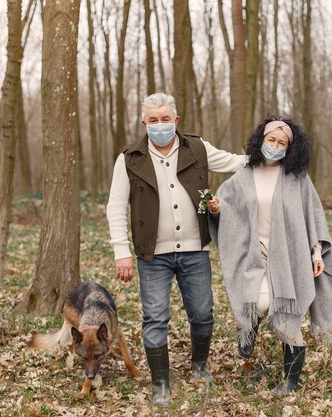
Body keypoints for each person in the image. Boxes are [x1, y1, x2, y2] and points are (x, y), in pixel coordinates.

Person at [106, 92, 246, 406]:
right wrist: (121, 252)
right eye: (153, 120)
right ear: (144, 123)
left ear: (176, 120)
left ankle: (199, 366)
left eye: (165, 119)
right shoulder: (129, 158)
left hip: (195, 250)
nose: (159, 125)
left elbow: (236, 163)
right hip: (151, 254)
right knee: (155, 317)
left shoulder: (198, 148)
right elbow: (115, 207)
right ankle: (161, 383)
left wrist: (271, 157)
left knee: (202, 313)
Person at [207, 116, 332, 395]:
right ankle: (247, 328)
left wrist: (316, 253)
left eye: (281, 143)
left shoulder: (297, 178)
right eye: (271, 140)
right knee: (260, 304)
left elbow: (312, 218)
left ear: (290, 148)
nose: (274, 146)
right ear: (261, 140)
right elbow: (226, 205)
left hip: (288, 255)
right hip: (253, 253)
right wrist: (215, 209)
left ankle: (291, 382)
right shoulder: (245, 174)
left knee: (287, 311)